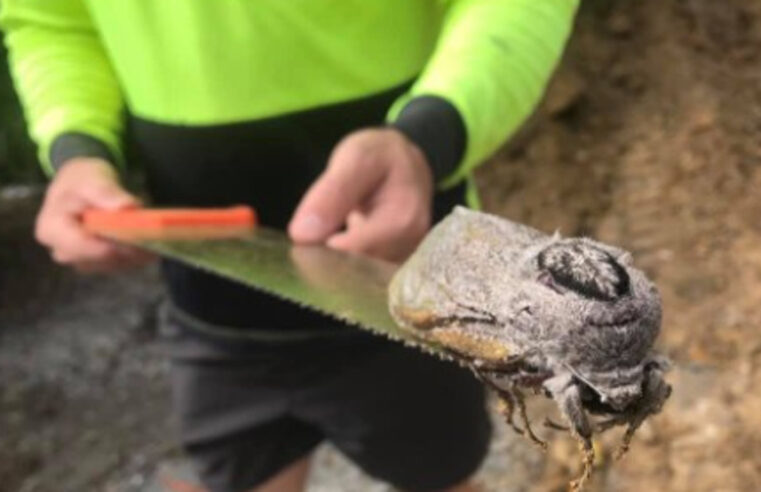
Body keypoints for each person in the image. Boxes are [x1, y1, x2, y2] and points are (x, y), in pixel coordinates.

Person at [1, 2, 578, 491]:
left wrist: (428, 138)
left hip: (405, 293)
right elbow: (51, 20)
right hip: (210, 306)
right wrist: (76, 149)